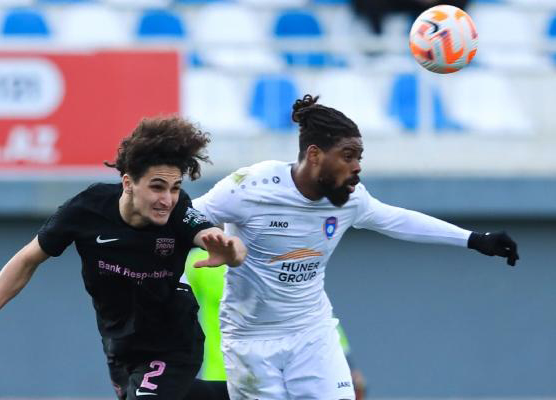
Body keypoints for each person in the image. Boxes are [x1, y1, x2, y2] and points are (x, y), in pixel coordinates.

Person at [192, 94, 519, 400]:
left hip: (312, 334)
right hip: (250, 340)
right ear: (315, 155)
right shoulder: (250, 186)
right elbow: (188, 217)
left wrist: (474, 239)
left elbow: (397, 220)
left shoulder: (351, 199)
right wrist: (207, 238)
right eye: (348, 156)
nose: (357, 166)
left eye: (359, 157)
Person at [0, 116, 247, 400]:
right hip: (119, 346)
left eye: (175, 187)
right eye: (157, 187)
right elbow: (27, 259)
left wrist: (232, 252)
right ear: (128, 182)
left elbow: (211, 235)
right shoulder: (88, 209)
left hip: (172, 345)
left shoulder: (179, 211)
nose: (167, 199)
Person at [183, 248, 367, 399]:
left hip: (278, 376)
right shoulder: (199, 260)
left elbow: (318, 315)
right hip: (225, 374)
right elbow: (179, 309)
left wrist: (349, 366)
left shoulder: (278, 256)